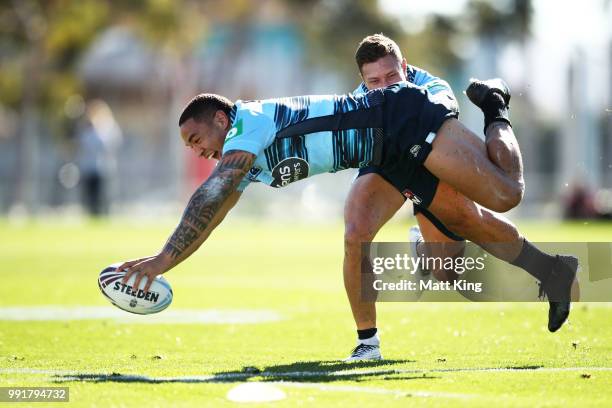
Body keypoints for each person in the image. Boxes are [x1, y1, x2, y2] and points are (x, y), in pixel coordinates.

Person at [115, 84, 577, 362]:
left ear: (220, 118)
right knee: (405, 242)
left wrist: (160, 259)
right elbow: (210, 217)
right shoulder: (245, 159)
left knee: (504, 195)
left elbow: (208, 195)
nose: (198, 151)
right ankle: (369, 343)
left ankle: (495, 106)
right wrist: (166, 264)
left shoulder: (245, 124)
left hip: (398, 117)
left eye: (197, 139)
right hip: (383, 157)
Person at [341, 34, 526, 360]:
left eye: (391, 77)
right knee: (355, 234)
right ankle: (367, 342)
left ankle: (496, 106)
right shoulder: (357, 101)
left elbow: (441, 118)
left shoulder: (432, 86)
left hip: (427, 163)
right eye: (374, 81)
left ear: (405, 67)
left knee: (448, 270)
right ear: (362, 81)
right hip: (386, 165)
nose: (384, 87)